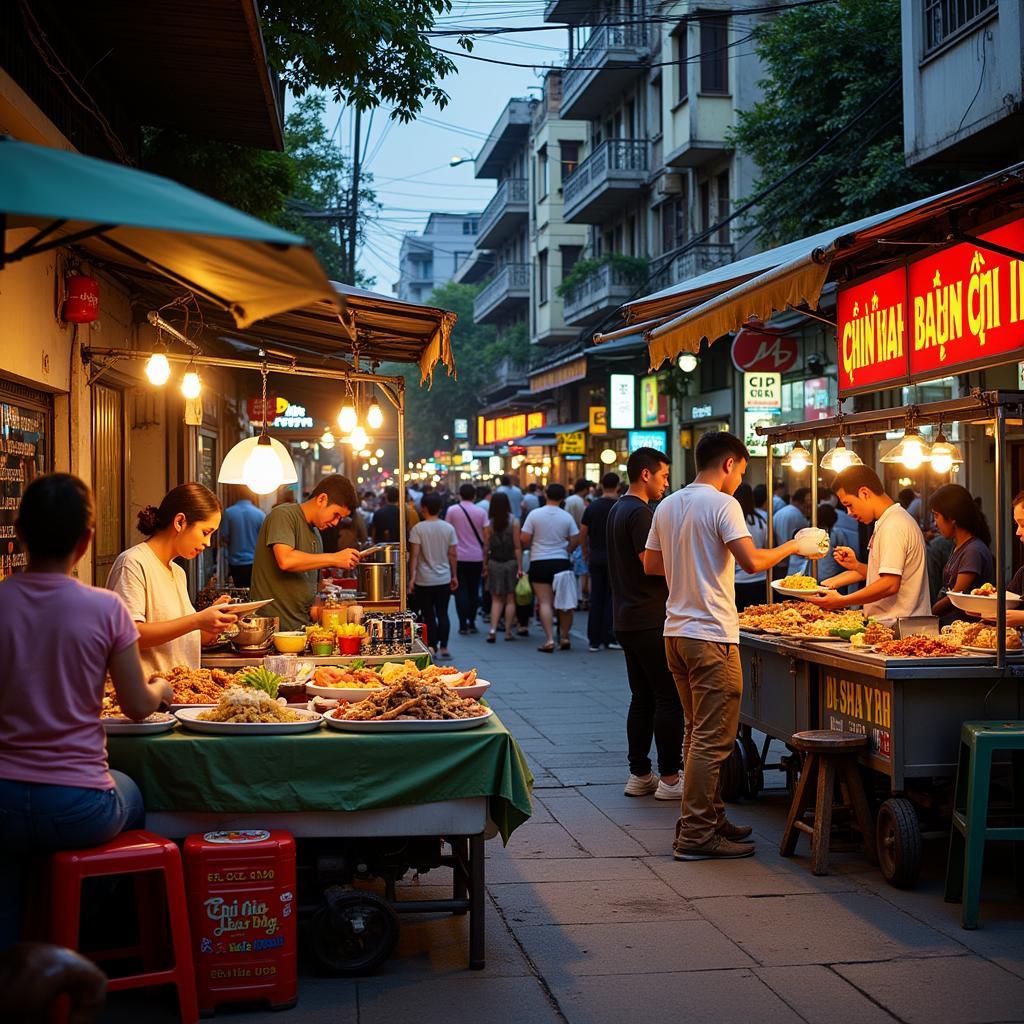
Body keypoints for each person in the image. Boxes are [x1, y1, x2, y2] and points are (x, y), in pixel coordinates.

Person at [0, 474, 173, 946]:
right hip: (79, 805)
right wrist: (159, 689)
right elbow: (136, 706)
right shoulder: (105, 609)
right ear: (86, 540)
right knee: (132, 791)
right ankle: (85, 935)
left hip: (3, 800)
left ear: (19, 533)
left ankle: (21, 964)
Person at [644, 431, 823, 861]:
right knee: (711, 739)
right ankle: (697, 836)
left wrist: (689, 560)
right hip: (710, 635)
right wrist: (796, 545)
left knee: (696, 732)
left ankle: (706, 818)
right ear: (729, 464)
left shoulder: (668, 504)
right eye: (742, 471)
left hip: (676, 633)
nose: (741, 481)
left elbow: (650, 563)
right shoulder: (723, 504)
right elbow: (752, 561)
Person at [607, 449, 683, 802]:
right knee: (668, 698)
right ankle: (669, 778)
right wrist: (688, 572)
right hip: (650, 618)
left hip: (626, 617)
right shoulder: (640, 512)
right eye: (664, 475)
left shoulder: (617, 509)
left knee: (642, 698)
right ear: (646, 474)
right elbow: (650, 564)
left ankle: (640, 774)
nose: (666, 483)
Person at [107, 483, 239, 677]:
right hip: (146, 697)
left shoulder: (178, 573)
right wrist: (196, 620)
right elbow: (129, 636)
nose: (207, 543)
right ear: (180, 522)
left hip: (181, 694)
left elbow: (183, 639)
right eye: (205, 532)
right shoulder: (133, 563)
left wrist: (214, 621)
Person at [805, 465, 930, 620]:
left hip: (900, 629)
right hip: (891, 626)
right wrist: (856, 566)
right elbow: (886, 575)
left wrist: (842, 601)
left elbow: (890, 584)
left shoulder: (894, 525)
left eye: (849, 505)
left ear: (864, 493)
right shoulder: (889, 521)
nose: (849, 513)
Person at [250, 475, 361, 631]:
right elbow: (285, 560)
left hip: (302, 630)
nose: (336, 523)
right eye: (336, 515)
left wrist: (329, 604)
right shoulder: (284, 515)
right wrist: (334, 558)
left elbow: (314, 595)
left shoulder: (316, 535)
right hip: (272, 631)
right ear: (322, 499)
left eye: (340, 518)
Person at [522, 482, 580, 652]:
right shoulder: (566, 516)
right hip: (561, 561)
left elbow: (524, 538)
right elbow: (576, 539)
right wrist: (567, 549)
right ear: (563, 498)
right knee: (565, 602)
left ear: (546, 495)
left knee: (545, 602)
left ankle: (549, 640)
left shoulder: (534, 515)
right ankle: (564, 637)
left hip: (539, 561)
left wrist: (535, 543)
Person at [929, 483, 993, 624]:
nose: (935, 523)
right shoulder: (958, 546)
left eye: (937, 516)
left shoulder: (973, 551)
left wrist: (927, 613)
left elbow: (956, 595)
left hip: (966, 628)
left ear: (952, 518)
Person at [408, 491, 458, 659]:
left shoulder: (418, 529)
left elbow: (414, 556)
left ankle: (432, 646)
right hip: (443, 578)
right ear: (440, 508)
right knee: (443, 613)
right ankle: (445, 647)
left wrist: (412, 578)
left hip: (424, 579)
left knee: (429, 614)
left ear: (424, 508)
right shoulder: (448, 528)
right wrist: (454, 575)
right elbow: (453, 554)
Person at [581, 472, 620, 651]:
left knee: (596, 597)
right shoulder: (621, 506)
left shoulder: (592, 507)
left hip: (595, 556)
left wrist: (585, 551)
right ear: (617, 486)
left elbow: (583, 532)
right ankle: (610, 637)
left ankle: (593, 640)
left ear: (601, 486)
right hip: (616, 558)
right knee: (613, 598)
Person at [483, 491, 522, 642]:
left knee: (496, 599)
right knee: (510, 598)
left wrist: (485, 565)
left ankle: (492, 630)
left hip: (494, 562)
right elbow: (517, 546)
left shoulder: (489, 523)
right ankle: (507, 631)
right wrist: (519, 566)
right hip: (511, 562)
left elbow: (486, 547)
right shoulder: (514, 521)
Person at [449, 482, 488, 634]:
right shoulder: (481, 512)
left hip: (458, 557)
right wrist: (485, 559)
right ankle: (472, 622)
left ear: (460, 494)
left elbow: (448, 533)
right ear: (475, 496)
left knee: (460, 590)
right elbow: (486, 537)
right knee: (473, 590)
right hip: (476, 557)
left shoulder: (452, 511)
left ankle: (462, 624)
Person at [218, 486, 265, 588]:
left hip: (236, 563)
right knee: (254, 593)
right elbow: (264, 539)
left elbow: (223, 537)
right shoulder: (260, 514)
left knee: (239, 592)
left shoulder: (229, 513)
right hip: (255, 562)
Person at [733, 483, 768, 610]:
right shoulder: (762, 520)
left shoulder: (732, 519)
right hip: (760, 578)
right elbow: (767, 547)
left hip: (738, 579)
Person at [773, 487, 811, 576]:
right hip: (789, 562)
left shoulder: (782, 512)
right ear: (802, 501)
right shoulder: (797, 515)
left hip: (777, 560)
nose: (810, 503)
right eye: (809, 500)